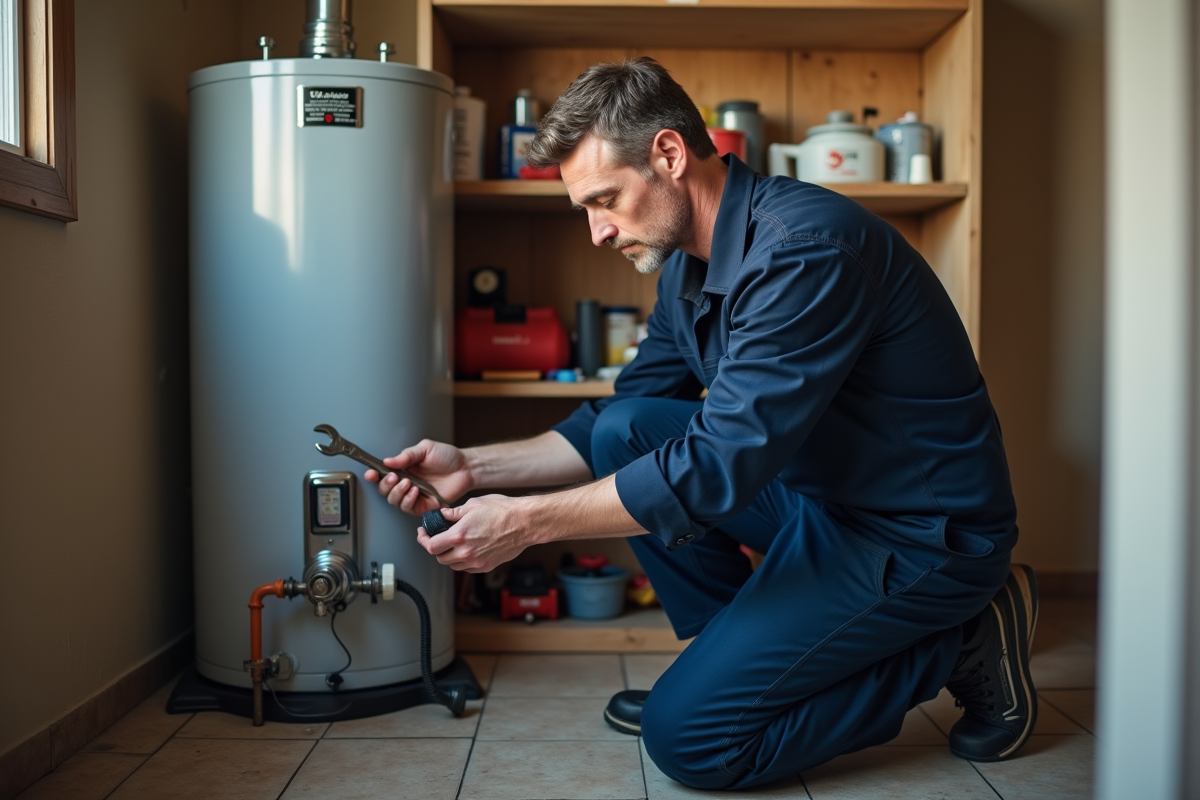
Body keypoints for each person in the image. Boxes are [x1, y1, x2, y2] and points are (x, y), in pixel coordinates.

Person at [365, 57, 1037, 790]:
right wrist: (474, 467)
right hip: (819, 502)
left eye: (605, 200)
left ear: (669, 154)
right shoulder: (687, 262)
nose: (596, 232)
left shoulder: (804, 250)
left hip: (916, 536)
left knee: (693, 742)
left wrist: (525, 524)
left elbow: (717, 465)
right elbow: (614, 421)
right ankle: (738, 667)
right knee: (631, 429)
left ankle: (964, 637)